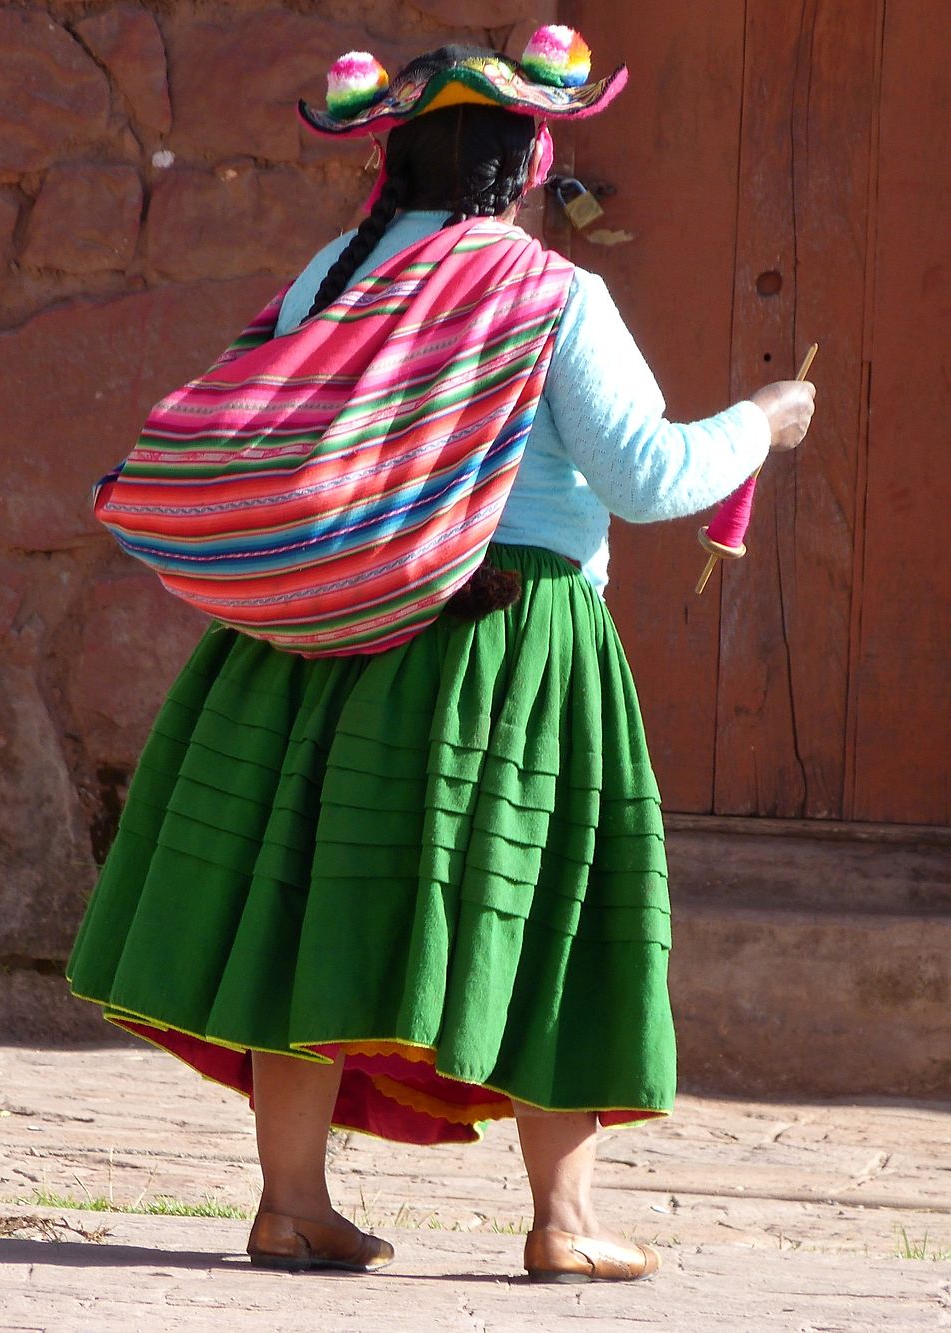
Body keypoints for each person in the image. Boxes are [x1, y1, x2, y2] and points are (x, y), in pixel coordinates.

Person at [67, 31, 815, 1283]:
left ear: (392, 163)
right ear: (528, 161)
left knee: (309, 893)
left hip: (324, 636)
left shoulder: (331, 276)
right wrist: (759, 422)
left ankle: (292, 1203)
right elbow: (646, 479)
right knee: (553, 908)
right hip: (505, 641)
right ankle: (563, 1221)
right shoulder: (550, 294)